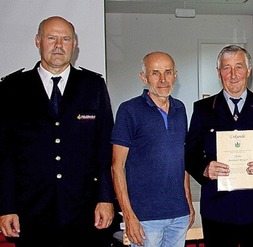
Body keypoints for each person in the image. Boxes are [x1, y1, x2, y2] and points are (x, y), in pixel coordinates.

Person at [0, 16, 115, 247]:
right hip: (31, 210)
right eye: (51, 38)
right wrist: (7, 207)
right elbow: (5, 154)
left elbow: (104, 148)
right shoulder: (12, 87)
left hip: (85, 210)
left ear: (74, 44)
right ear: (38, 41)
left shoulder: (93, 86)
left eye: (66, 39)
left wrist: (105, 198)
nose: (59, 45)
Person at [185, 45, 253, 247]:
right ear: (218, 72)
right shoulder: (203, 109)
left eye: (239, 67)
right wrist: (205, 168)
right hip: (218, 209)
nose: (233, 75)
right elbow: (190, 152)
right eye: (226, 68)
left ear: (249, 70)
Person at [111, 51, 195, 247]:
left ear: (176, 74)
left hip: (179, 215)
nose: (163, 79)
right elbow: (117, 167)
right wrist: (129, 216)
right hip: (145, 219)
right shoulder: (129, 110)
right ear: (144, 77)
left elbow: (182, 163)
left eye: (168, 72)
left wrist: (188, 204)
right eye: (155, 73)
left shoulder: (180, 109)